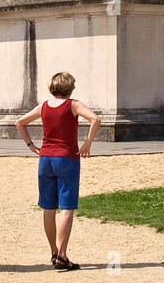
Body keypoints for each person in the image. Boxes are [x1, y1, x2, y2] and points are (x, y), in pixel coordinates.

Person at [14, 71, 101, 271]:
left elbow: (19, 122)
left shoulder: (44, 106)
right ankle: (62, 254)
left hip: (45, 159)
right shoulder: (73, 104)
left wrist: (30, 145)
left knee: (48, 207)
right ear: (69, 88)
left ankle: (54, 251)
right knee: (67, 206)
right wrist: (87, 143)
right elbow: (95, 119)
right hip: (66, 158)